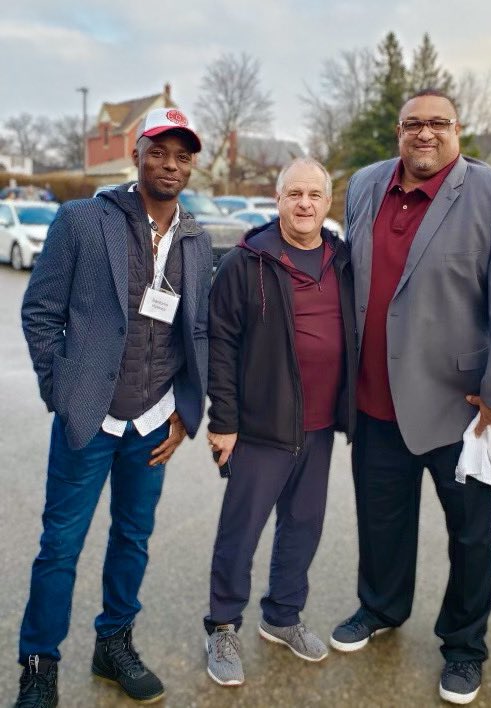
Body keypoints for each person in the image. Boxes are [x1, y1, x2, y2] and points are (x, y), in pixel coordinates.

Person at [330, 89, 491, 705]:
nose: (424, 134)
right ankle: (380, 608)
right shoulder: (368, 183)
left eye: (437, 124)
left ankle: (464, 646)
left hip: (462, 410)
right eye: (412, 124)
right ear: (399, 131)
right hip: (375, 406)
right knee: (381, 524)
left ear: (458, 130)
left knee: (470, 539)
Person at [15, 107, 212, 707]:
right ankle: (39, 665)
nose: (170, 164)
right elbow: (41, 313)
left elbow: (197, 331)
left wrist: (187, 410)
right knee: (60, 547)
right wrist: (64, 391)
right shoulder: (81, 220)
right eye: (159, 151)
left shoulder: (198, 240)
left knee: (133, 538)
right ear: (138, 153)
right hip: (89, 420)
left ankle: (113, 644)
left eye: (182, 155)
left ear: (191, 164)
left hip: (153, 422)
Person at [204, 157, 357, 686]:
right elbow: (219, 343)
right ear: (279, 200)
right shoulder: (247, 263)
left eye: (315, 194)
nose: (305, 204)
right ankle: (223, 625)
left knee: (303, 525)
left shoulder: (342, 260)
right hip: (260, 427)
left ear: (327, 202)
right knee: (240, 532)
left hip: (319, 428)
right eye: (295, 194)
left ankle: (282, 616)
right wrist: (222, 420)